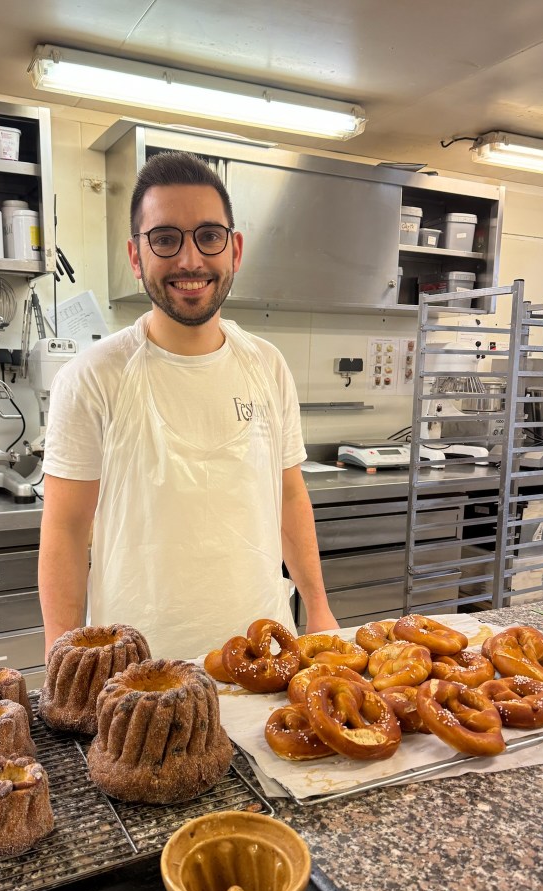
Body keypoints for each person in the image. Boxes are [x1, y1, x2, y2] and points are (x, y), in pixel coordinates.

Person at [39, 150, 337, 660]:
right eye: (164, 239)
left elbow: (289, 496)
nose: (190, 259)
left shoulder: (267, 366)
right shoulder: (91, 378)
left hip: (261, 654)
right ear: (136, 257)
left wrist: (318, 606)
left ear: (234, 249)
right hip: (139, 670)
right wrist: (61, 657)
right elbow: (66, 529)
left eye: (208, 236)